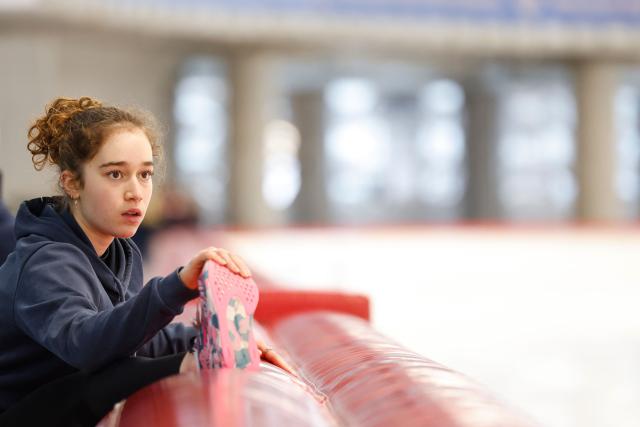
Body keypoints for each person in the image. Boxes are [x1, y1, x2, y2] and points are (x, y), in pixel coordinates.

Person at [0, 97, 291, 426]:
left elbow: (131, 338)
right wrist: (177, 291)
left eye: (145, 175)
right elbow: (88, 346)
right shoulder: (43, 262)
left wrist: (210, 339)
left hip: (58, 403)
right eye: (115, 175)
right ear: (71, 183)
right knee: (107, 373)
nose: (136, 192)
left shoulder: (120, 252)